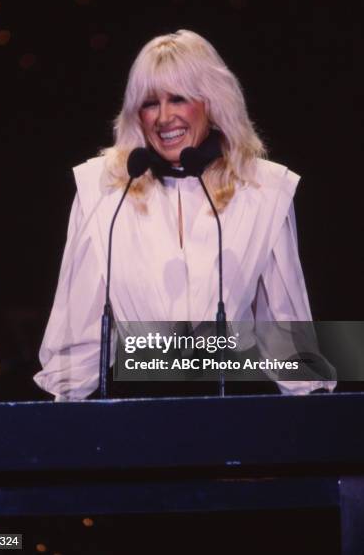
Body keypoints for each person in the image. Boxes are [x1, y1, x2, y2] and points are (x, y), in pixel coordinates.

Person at [33, 29, 336, 401]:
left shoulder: (265, 190)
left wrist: (318, 411)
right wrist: (60, 419)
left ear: (212, 102)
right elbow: (77, 342)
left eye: (178, 99)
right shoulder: (104, 188)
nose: (164, 117)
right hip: (132, 418)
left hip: (233, 416)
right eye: (149, 103)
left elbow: (286, 336)